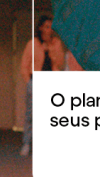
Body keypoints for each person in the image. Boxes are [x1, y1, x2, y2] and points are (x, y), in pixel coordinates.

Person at [18, 14, 67, 156]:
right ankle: (27, 143)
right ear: (40, 28)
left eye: (51, 27)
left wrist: (50, 50)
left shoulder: (56, 43)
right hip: (36, 80)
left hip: (52, 81)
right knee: (31, 114)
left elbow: (60, 63)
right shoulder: (32, 44)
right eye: (47, 27)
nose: (50, 30)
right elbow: (24, 65)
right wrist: (28, 82)